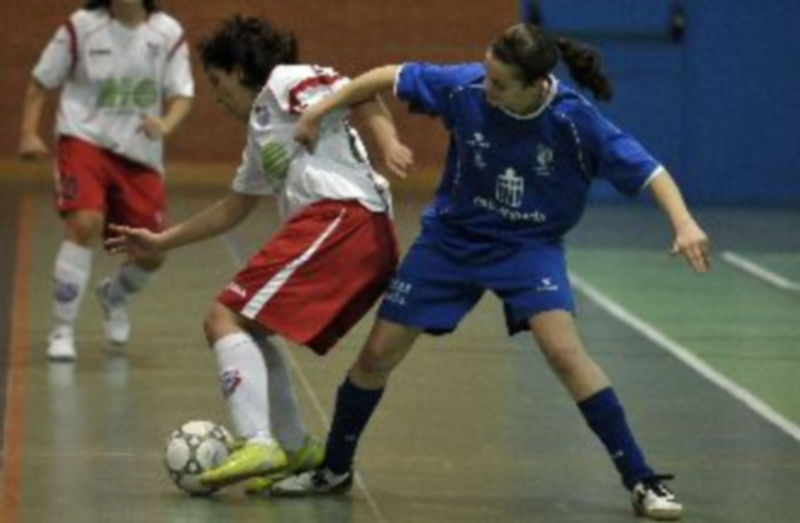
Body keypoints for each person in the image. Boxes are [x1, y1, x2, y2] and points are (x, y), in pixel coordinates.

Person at [270, 23, 711, 521]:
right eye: (486, 74)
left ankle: (640, 478)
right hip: (451, 240)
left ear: (535, 85)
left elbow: (649, 169)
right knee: (374, 357)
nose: (487, 88)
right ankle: (335, 468)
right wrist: (319, 112)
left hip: (528, 246)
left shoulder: (574, 121)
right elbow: (381, 77)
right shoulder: (464, 86)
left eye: (500, 83)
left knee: (565, 354)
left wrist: (685, 223)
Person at [106, 15, 411, 493]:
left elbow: (360, 91)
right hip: (350, 232)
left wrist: (389, 141)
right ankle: (292, 446)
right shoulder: (260, 130)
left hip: (343, 220)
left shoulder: (284, 81)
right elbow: (234, 207)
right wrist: (162, 240)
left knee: (221, 318)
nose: (216, 93)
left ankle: (257, 440)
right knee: (249, 325)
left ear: (239, 66)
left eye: (217, 80)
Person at [19, 0, 194, 361]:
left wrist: (165, 125)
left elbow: (182, 95)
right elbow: (40, 81)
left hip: (139, 152)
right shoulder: (81, 26)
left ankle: (115, 296)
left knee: (151, 251)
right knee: (84, 223)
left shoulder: (168, 32)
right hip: (83, 139)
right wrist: (28, 132)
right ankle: (62, 330)